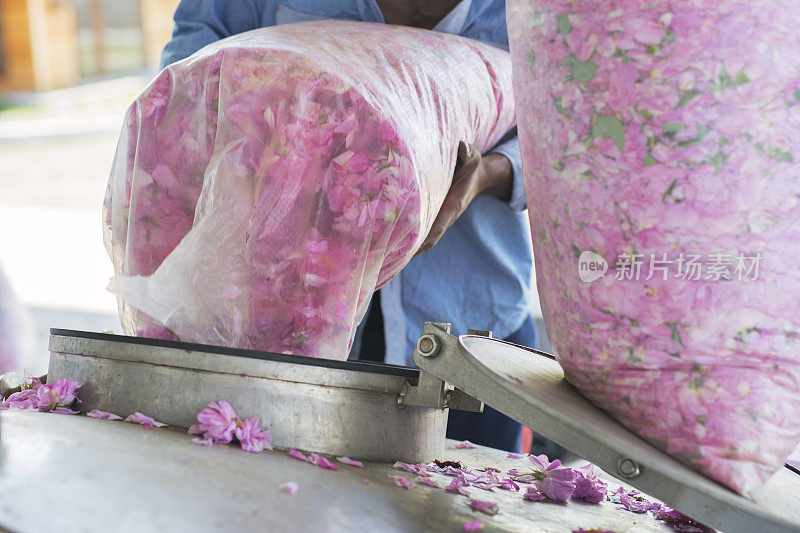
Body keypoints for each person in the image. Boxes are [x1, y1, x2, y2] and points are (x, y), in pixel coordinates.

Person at [161, 0, 537, 452]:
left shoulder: (536, 10)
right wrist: (256, 144)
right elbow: (191, 72)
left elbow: (578, 134)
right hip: (277, 325)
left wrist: (488, 174)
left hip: (474, 330)